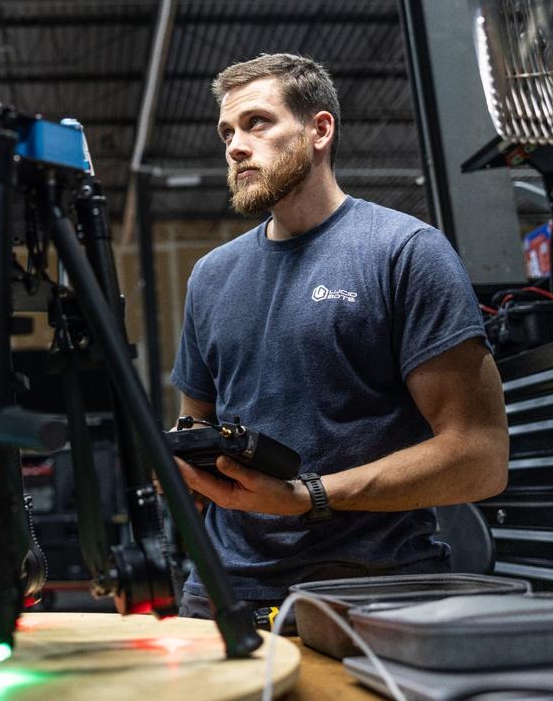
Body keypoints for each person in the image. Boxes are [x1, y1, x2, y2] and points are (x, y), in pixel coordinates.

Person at [170, 53, 509, 619]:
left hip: (373, 591)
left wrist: (308, 496)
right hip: (223, 595)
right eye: (227, 131)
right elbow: (196, 432)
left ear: (320, 129)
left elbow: (480, 456)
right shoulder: (211, 275)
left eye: (257, 122)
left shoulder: (404, 252)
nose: (234, 146)